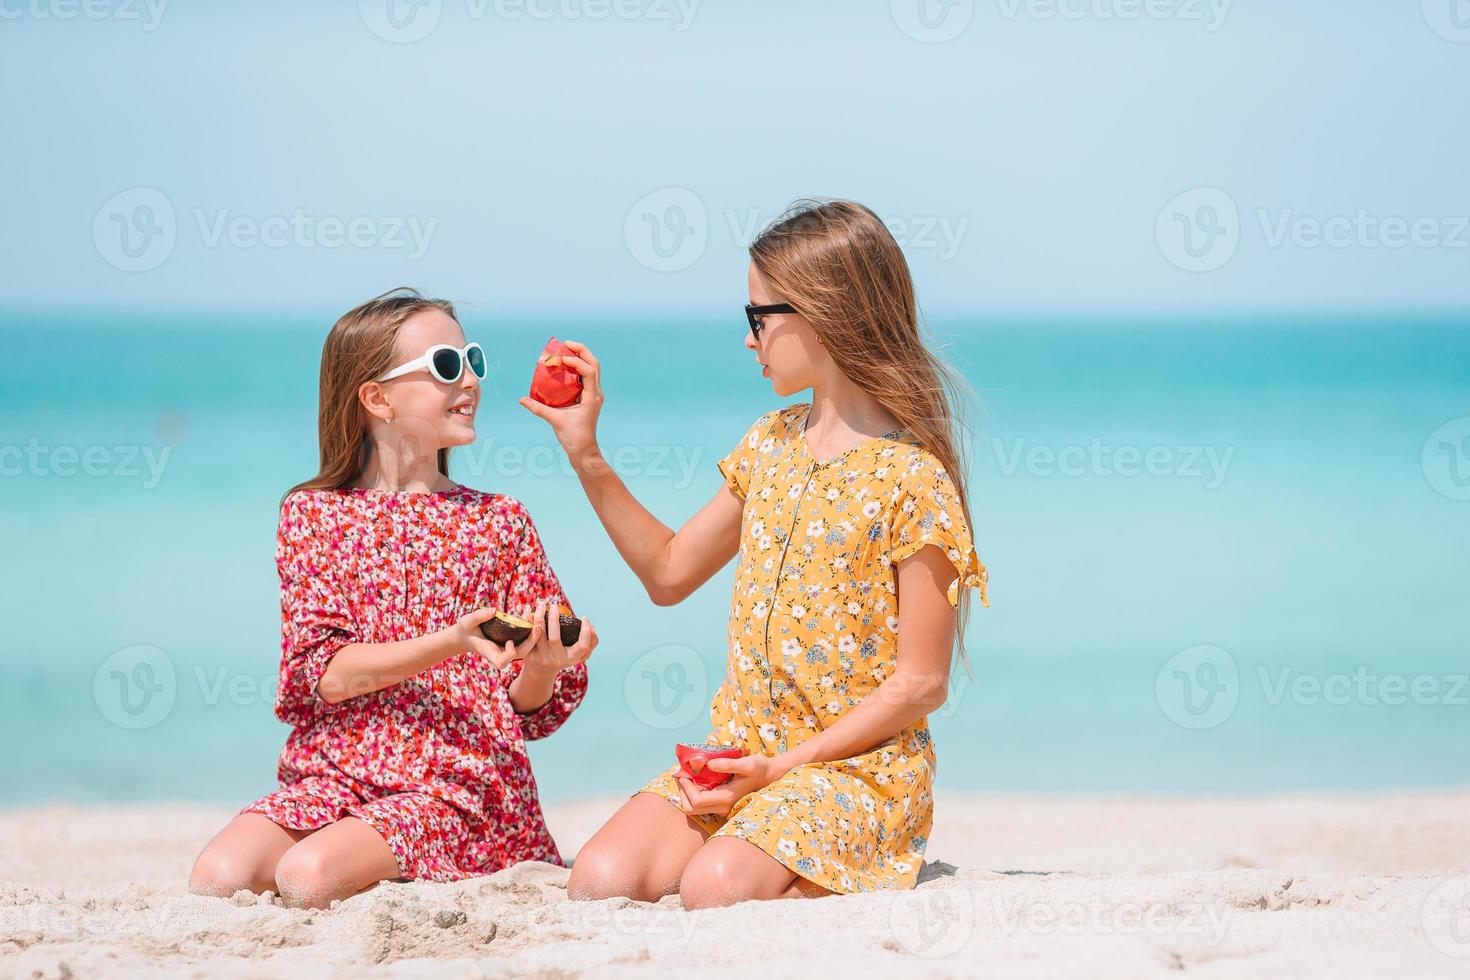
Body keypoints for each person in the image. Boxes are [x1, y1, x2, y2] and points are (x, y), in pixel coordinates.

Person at [521, 200, 989, 908]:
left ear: (822, 313)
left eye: (758, 317)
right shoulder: (769, 443)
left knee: (714, 890)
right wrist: (584, 450)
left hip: (856, 773)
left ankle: (825, 863)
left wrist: (781, 770)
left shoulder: (911, 478)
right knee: (600, 879)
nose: (750, 340)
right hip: (739, 755)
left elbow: (920, 684)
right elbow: (669, 573)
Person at [188, 289, 597, 908]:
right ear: (376, 398)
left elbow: (531, 711)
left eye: (473, 362)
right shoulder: (313, 515)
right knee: (218, 875)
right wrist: (452, 641)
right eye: (444, 367)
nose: (470, 382)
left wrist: (541, 665)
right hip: (332, 777)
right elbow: (319, 675)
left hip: (460, 786)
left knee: (309, 875)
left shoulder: (500, 521)